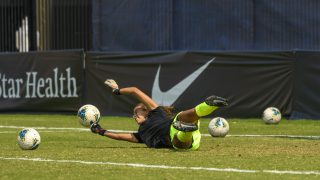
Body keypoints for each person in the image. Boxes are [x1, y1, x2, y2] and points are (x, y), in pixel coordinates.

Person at [90, 79, 228, 150]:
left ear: (146, 111)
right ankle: (185, 130)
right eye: (133, 114)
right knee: (176, 140)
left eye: (137, 112)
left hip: (175, 124)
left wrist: (117, 91)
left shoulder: (156, 112)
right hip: (182, 141)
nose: (134, 116)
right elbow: (119, 136)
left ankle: (209, 105)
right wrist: (100, 131)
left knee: (181, 117)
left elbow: (135, 91)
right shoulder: (141, 135)